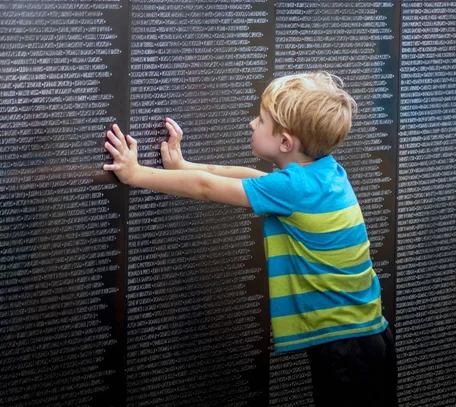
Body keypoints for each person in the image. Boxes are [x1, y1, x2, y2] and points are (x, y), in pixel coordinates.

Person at [103, 72, 397, 407]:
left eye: (261, 119)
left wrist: (135, 173)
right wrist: (183, 165)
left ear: (286, 143)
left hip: (347, 349)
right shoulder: (322, 173)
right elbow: (253, 178)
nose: (251, 123)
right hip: (367, 336)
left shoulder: (294, 188)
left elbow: (207, 188)